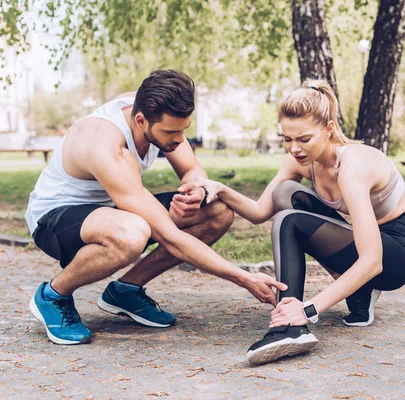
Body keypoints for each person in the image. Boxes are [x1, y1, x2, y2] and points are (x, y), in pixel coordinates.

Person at [25, 69, 286, 345]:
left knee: (217, 209)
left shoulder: (154, 109)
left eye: (183, 129)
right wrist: (244, 279)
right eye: (172, 132)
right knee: (131, 233)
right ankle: (53, 295)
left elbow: (192, 168)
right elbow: (170, 238)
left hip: (112, 207)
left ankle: (125, 291)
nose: (178, 138)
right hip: (54, 219)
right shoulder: (106, 146)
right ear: (140, 120)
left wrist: (195, 190)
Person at [199, 79, 405, 364]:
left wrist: (309, 308)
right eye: (287, 139)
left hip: (395, 256)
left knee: (289, 221)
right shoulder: (302, 160)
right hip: (364, 241)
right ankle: (359, 296)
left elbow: (373, 260)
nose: (295, 149)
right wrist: (220, 189)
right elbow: (258, 212)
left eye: (304, 139)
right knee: (286, 194)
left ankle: (292, 326)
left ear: (328, 129)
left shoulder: (353, 167)